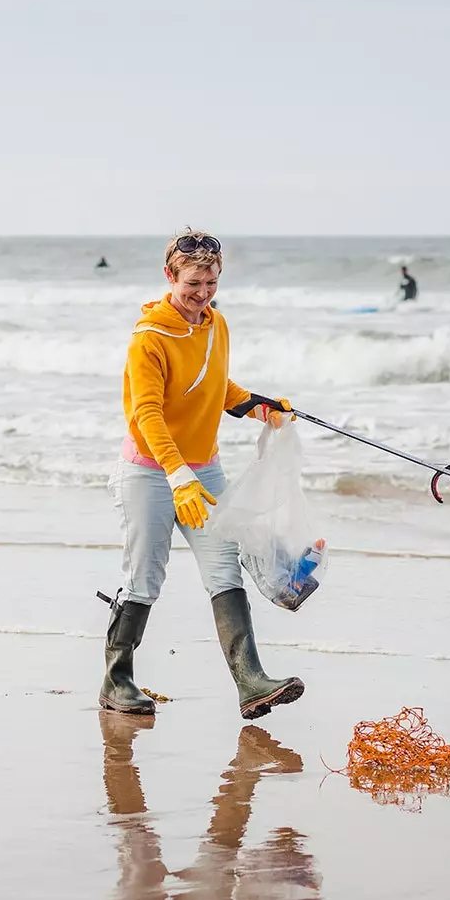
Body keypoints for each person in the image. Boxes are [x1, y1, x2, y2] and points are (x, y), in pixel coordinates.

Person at [103, 229, 303, 720]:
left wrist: (257, 406)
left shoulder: (216, 324)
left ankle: (251, 682)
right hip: (150, 473)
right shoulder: (148, 339)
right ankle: (117, 682)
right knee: (144, 576)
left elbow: (215, 382)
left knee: (222, 566)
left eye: (211, 282)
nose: (202, 293)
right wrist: (177, 476)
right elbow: (146, 414)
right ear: (170, 275)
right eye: (193, 282)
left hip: (204, 468)